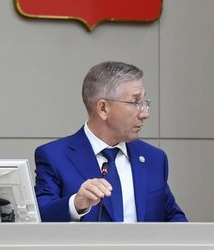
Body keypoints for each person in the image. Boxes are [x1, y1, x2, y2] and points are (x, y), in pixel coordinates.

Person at [34, 61, 187, 222]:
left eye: (144, 102)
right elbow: (41, 216)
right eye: (135, 102)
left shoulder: (154, 158)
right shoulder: (55, 157)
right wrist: (76, 204)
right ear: (103, 108)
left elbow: (173, 217)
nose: (145, 114)